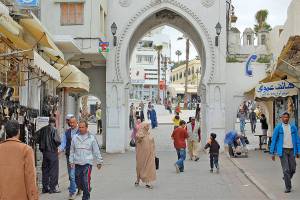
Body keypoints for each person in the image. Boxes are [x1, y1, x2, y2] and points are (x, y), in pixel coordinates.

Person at [0, 120, 39, 200]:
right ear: (19, 131)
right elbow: (30, 177)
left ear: (6, 133)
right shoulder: (26, 150)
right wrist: (33, 197)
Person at [69, 120, 103, 200]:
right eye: (79, 127)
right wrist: (71, 161)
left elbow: (96, 150)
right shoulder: (75, 138)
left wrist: (99, 161)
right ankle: (86, 188)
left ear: (87, 128)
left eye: (82, 127)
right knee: (78, 181)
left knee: (85, 180)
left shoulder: (91, 138)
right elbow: (72, 150)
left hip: (87, 163)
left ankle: (86, 197)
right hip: (77, 163)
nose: (80, 129)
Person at [270, 112, 300, 193]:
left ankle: (286, 177)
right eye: (284, 117)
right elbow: (274, 140)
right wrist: (272, 152)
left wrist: (298, 151)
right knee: (286, 169)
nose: (286, 118)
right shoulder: (278, 127)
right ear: (282, 118)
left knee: (293, 169)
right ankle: (288, 187)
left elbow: (297, 140)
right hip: (282, 150)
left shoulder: (293, 127)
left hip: (292, 150)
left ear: (289, 118)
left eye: (287, 117)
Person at [36, 117, 61, 193]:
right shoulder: (54, 129)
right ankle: (52, 188)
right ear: (54, 122)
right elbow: (57, 141)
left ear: (49, 122)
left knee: (45, 170)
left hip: (45, 153)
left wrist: (41, 144)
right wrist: (56, 146)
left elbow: (35, 137)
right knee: (53, 170)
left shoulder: (43, 129)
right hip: (52, 152)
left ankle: (45, 188)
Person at [58, 116, 80, 200]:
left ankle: (73, 191)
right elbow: (63, 142)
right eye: (70, 123)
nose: (71, 124)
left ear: (76, 122)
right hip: (69, 156)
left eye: (73, 122)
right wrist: (60, 149)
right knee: (71, 174)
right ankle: (73, 190)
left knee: (76, 174)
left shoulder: (80, 131)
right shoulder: (67, 132)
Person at [135, 121, 156, 189]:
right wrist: (141, 136)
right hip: (141, 156)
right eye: (146, 126)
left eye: (148, 126)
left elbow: (153, 145)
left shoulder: (149, 135)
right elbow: (138, 138)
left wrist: (154, 153)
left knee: (149, 168)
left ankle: (148, 182)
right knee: (140, 167)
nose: (148, 128)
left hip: (150, 155)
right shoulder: (139, 134)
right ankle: (138, 180)